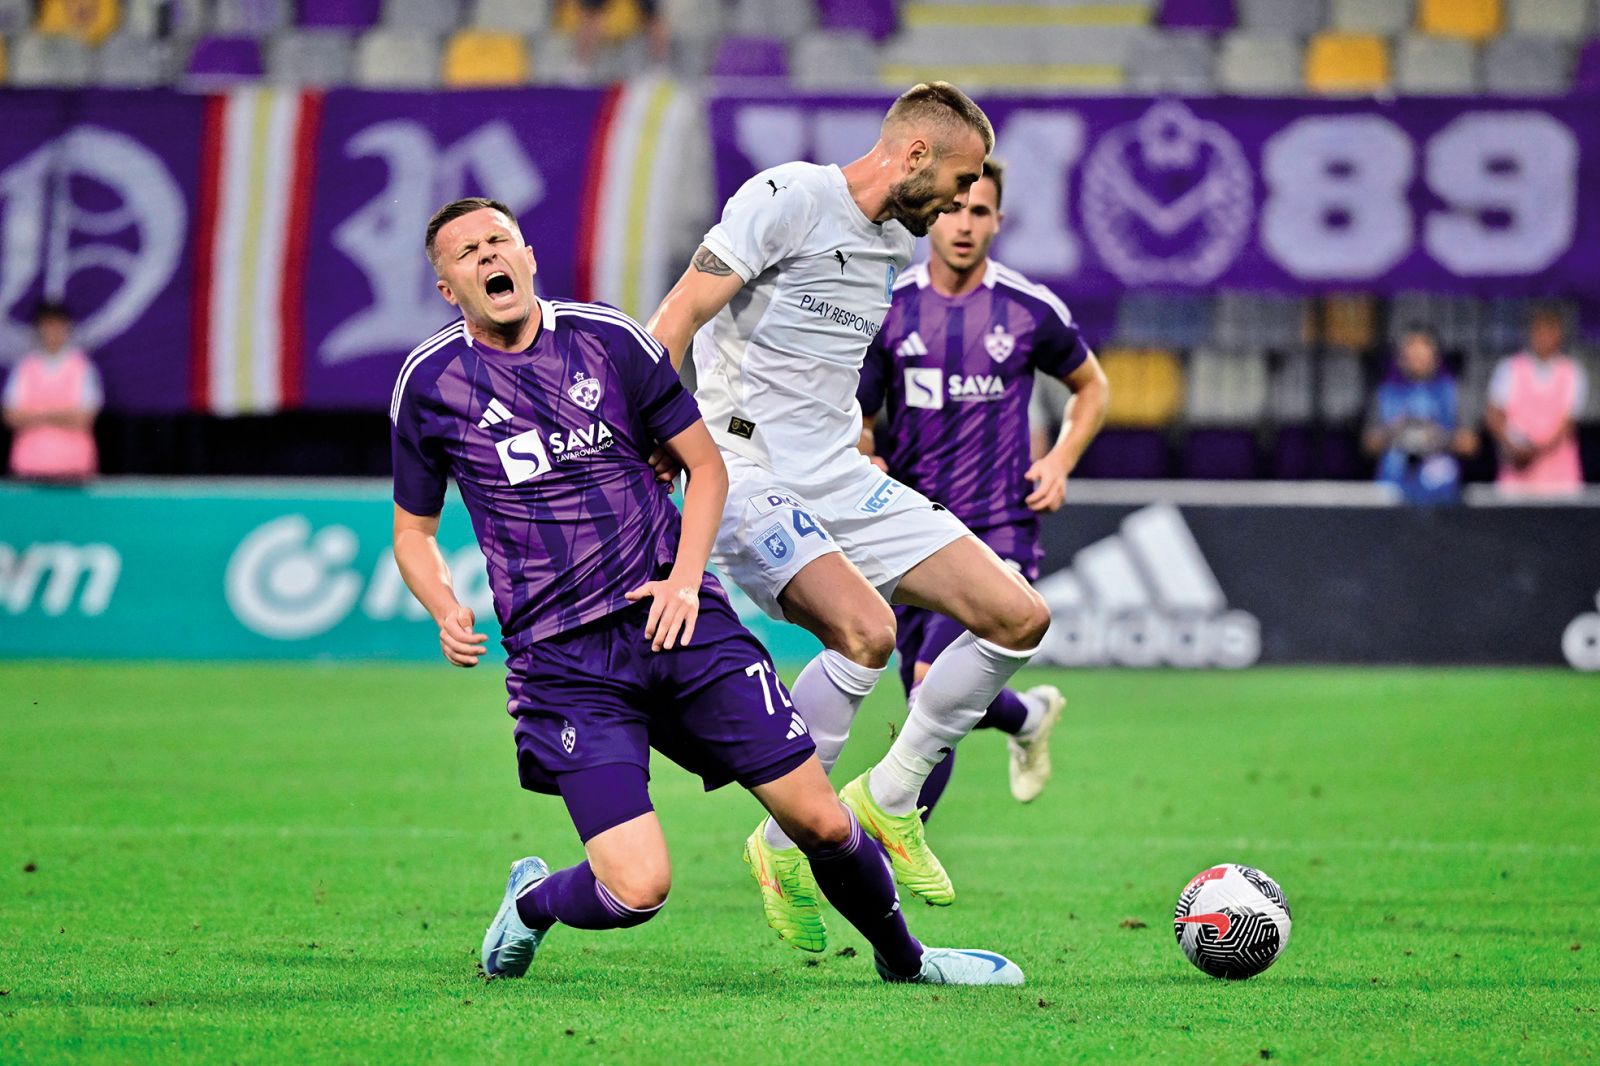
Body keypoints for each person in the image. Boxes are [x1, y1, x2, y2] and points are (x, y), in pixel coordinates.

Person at [390, 196, 1023, 986]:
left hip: (679, 623)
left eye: (498, 241)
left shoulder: (610, 342)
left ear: (527, 255)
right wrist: (446, 606)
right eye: (466, 254)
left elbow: (707, 465)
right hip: (566, 663)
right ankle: (532, 905)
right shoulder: (430, 383)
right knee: (637, 889)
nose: (488, 258)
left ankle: (910, 962)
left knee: (822, 820)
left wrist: (687, 582)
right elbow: (413, 532)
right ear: (449, 288)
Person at [647, 82, 1052, 953]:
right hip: (739, 466)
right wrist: (658, 435)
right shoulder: (787, 198)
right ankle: (797, 832)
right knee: (866, 632)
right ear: (914, 157)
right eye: (959, 179)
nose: (961, 202)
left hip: (837, 471)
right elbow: (676, 316)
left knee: (1019, 618)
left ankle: (889, 798)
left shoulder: (885, 248)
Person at [857, 158, 1108, 819]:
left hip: (999, 528)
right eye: (953, 210)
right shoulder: (889, 308)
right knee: (929, 697)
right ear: (931, 216)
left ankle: (895, 849)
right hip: (908, 535)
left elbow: (1092, 386)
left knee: (930, 687)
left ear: (999, 221)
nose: (964, 225)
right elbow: (858, 418)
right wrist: (865, 458)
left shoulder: (1028, 309)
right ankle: (1026, 717)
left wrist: (1058, 461)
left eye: (980, 211)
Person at [1362, 325, 1476, 505]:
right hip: (1392, 485)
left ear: (1435, 357)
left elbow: (1470, 444)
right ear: (1400, 358)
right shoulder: (1386, 393)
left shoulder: (1452, 391)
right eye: (1411, 353)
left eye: (1422, 353)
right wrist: (1394, 432)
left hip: (1440, 489)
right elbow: (1369, 443)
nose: (1416, 359)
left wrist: (1439, 437)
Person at [1485, 307, 1588, 494]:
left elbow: (1568, 423)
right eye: (1538, 329)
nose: (1544, 336)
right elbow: (1494, 416)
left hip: (1559, 478)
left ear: (1559, 334)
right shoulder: (1509, 368)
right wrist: (1514, 448)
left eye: (1550, 330)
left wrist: (1534, 452)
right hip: (1516, 474)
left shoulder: (1572, 372)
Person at [3, 302, 103, 482]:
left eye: (57, 326)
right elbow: (11, 416)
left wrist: (37, 414)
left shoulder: (83, 368)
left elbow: (83, 418)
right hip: (28, 467)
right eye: (47, 326)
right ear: (38, 329)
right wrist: (62, 414)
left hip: (74, 468)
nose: (52, 332)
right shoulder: (24, 368)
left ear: (67, 328)